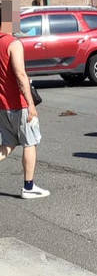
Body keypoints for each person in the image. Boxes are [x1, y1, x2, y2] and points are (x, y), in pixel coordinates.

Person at [0, 29, 49, 199]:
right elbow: (21, 75)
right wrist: (31, 105)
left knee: (7, 146)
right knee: (30, 143)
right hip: (18, 105)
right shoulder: (13, 43)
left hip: (2, 105)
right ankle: (29, 187)